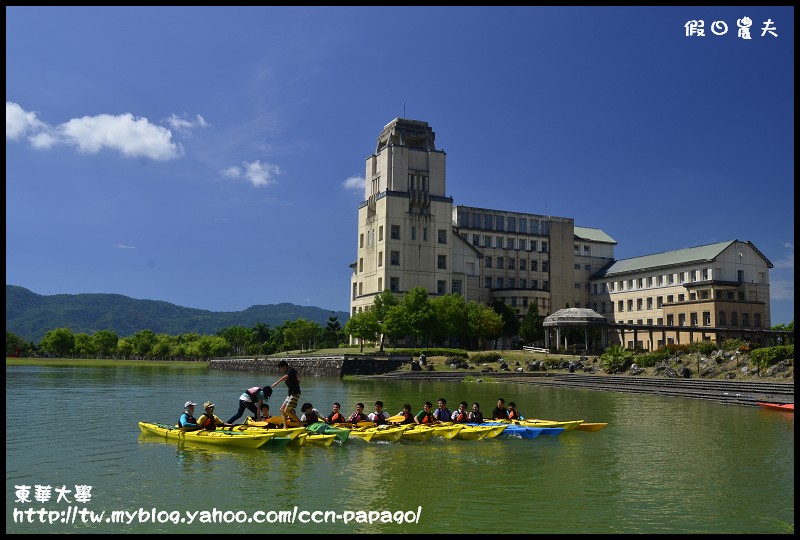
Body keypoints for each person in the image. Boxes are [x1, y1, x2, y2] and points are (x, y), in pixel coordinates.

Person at [271, 360, 301, 429]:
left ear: (284, 366)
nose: (280, 370)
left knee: (286, 411)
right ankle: (285, 426)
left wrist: (276, 383)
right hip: (290, 394)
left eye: (280, 368)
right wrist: (298, 378)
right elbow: (298, 374)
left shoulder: (290, 370)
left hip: (295, 393)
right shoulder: (289, 371)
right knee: (282, 409)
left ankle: (300, 423)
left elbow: (286, 376)